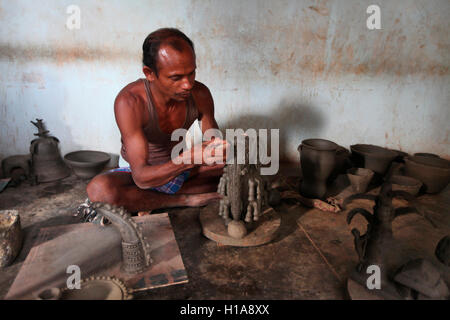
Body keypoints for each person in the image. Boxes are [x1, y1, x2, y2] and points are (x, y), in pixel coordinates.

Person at [85, 28, 228, 214]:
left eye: (191, 73)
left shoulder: (200, 94)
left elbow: (215, 150)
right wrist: (189, 158)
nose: (187, 84)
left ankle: (149, 202)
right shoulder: (130, 102)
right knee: (100, 191)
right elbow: (141, 177)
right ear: (149, 73)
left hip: (181, 171)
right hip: (138, 175)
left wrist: (217, 154)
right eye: (176, 77)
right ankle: (184, 199)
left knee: (239, 170)